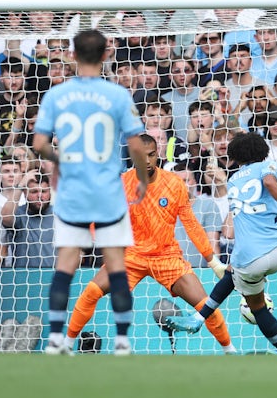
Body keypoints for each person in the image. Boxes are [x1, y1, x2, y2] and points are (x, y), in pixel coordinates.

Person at [32, 29, 150, 355]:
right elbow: (137, 145)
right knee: (115, 264)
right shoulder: (118, 96)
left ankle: (56, 338)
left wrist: (61, 161)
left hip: (72, 192)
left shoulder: (56, 95)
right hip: (108, 192)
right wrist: (141, 177)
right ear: (105, 55)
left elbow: (39, 144)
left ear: (72, 55)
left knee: (66, 263)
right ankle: (123, 342)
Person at [166, 132, 277, 354]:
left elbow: (264, 190)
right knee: (256, 305)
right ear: (263, 151)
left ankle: (199, 317)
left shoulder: (233, 180)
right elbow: (273, 205)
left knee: (235, 273)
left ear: (235, 157)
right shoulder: (269, 166)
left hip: (250, 257)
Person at [63, 134, 235, 354]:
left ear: (158, 155)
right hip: (131, 256)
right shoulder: (122, 184)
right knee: (90, 292)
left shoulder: (174, 184)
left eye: (152, 155)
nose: (147, 161)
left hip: (166, 257)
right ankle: (66, 346)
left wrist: (212, 261)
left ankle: (230, 351)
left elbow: (191, 224)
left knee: (205, 306)